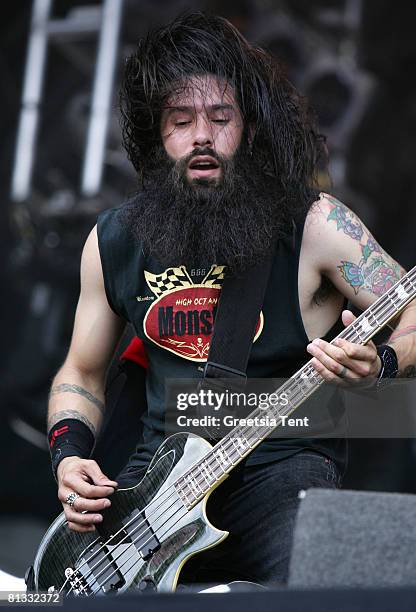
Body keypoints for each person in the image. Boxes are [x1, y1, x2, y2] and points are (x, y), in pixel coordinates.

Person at [47, 13, 416, 586]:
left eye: (221, 117)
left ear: (248, 127)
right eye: (181, 119)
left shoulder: (316, 226)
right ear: (154, 132)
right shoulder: (115, 239)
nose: (202, 137)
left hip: (280, 472)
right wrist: (69, 456)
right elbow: (81, 370)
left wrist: (386, 362)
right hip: (151, 499)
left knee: (321, 583)